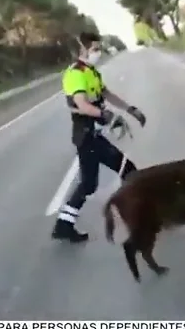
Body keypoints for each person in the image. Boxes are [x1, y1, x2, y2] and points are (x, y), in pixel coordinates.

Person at [52, 32, 146, 243]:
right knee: (128, 170)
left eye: (99, 48)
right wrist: (108, 116)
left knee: (88, 184)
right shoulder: (76, 74)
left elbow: (106, 94)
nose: (98, 52)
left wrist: (131, 109)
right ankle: (138, 214)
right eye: (95, 48)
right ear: (82, 50)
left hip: (92, 136)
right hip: (87, 136)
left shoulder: (90, 72)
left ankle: (63, 225)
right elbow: (82, 105)